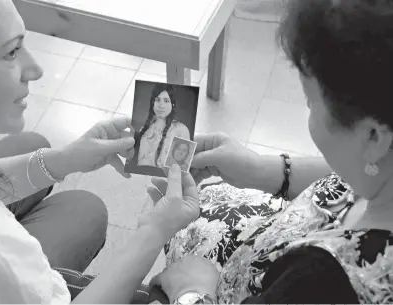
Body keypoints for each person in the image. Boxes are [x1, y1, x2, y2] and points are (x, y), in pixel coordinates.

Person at [0, 0, 200, 303]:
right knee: (86, 209)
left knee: (35, 145)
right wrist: (153, 231)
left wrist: (66, 159)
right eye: (11, 52)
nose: (36, 69)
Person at [148, 0, 393, 303]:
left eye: (310, 99)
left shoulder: (324, 283)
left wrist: (193, 290)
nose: (307, 107)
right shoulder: (380, 170)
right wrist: (267, 169)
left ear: (372, 136)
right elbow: (351, 180)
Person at [132, 84, 190, 169]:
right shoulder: (145, 129)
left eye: (166, 101)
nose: (161, 105)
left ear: (172, 104)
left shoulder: (181, 130)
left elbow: (182, 166)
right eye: (157, 100)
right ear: (153, 103)